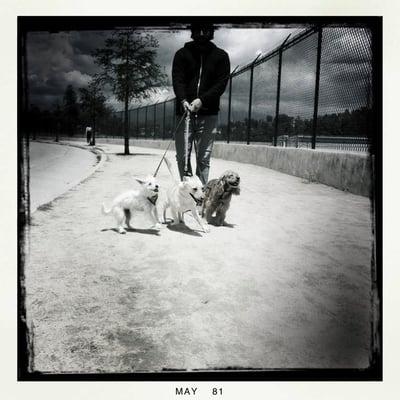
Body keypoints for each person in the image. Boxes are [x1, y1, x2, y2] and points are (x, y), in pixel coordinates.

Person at [172, 23, 230, 185]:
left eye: (206, 29)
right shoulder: (181, 54)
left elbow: (221, 83)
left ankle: (200, 195)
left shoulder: (221, 56)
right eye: (199, 29)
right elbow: (178, 80)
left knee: (203, 157)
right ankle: (187, 190)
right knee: (182, 157)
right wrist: (183, 100)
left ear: (212, 32)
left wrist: (202, 100)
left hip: (209, 113)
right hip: (184, 113)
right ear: (193, 31)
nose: (202, 33)